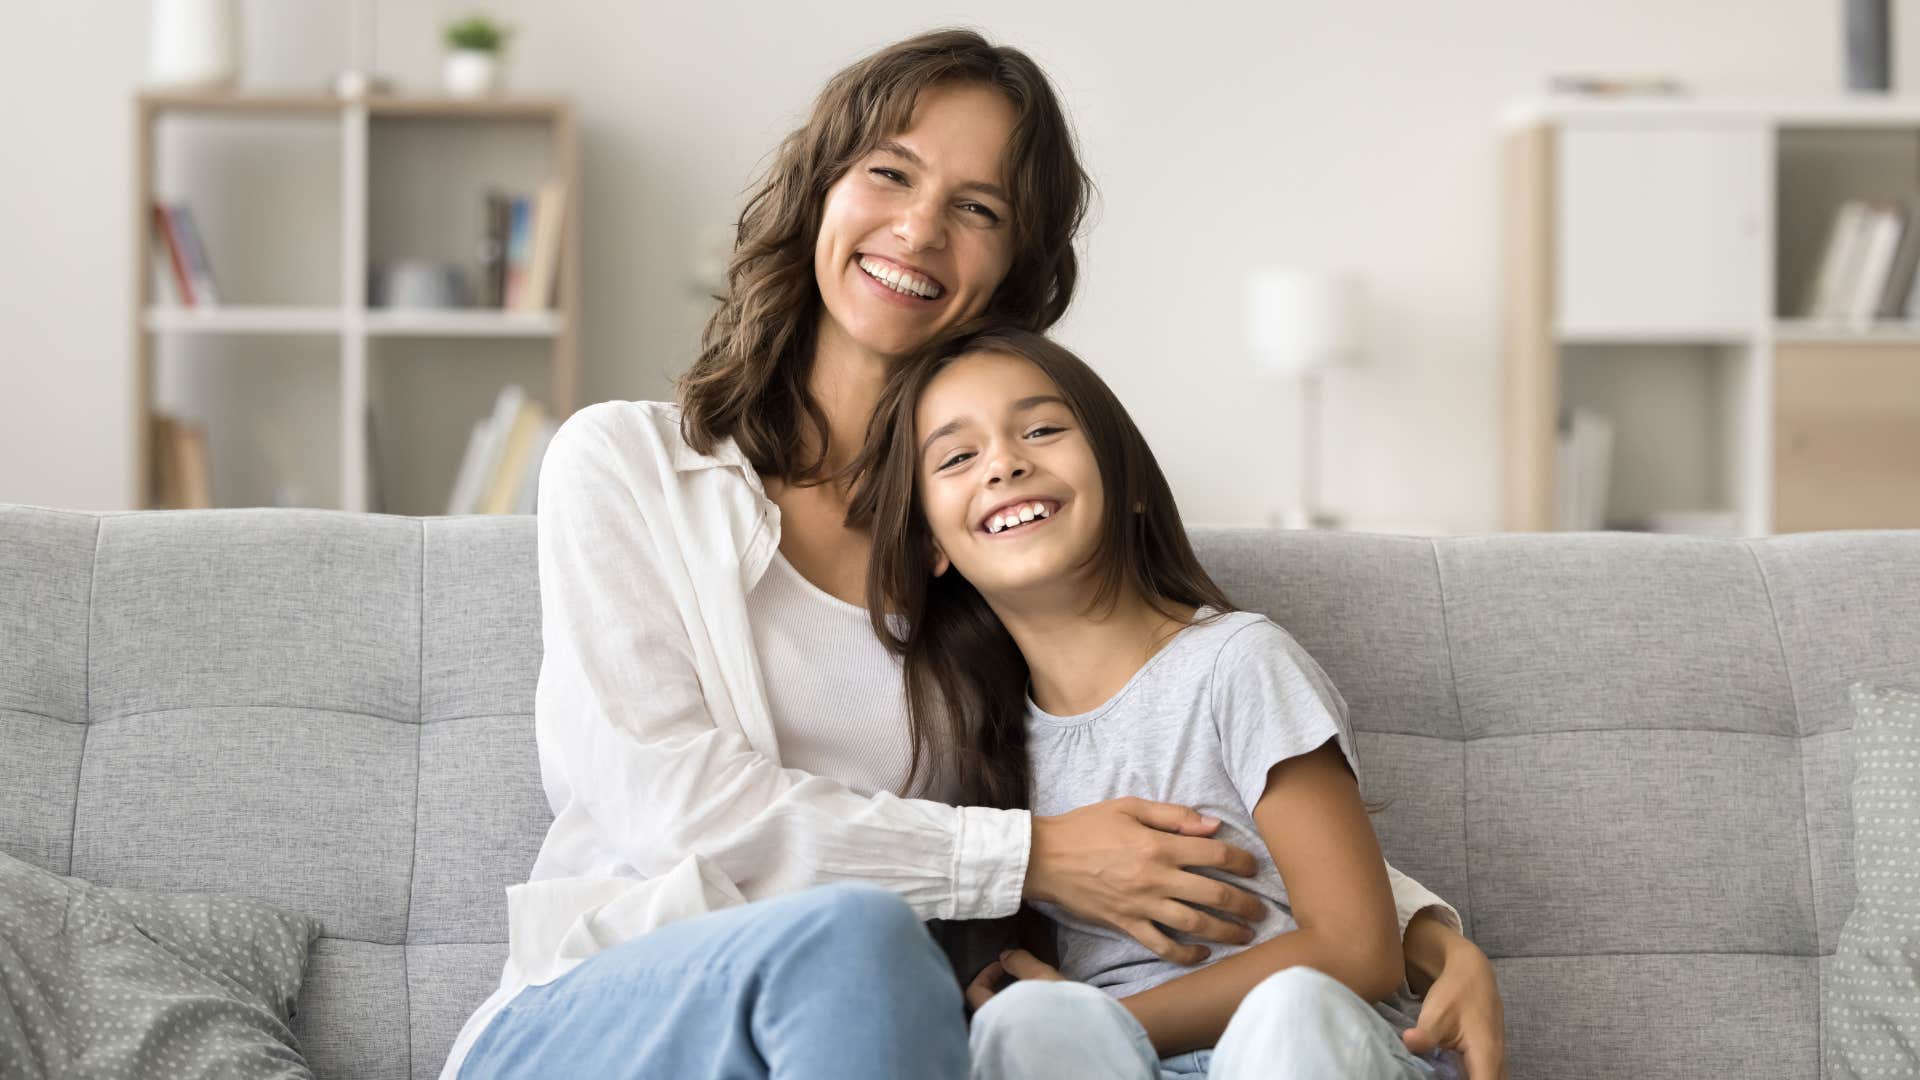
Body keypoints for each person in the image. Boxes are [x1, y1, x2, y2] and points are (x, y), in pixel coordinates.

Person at [446, 27, 1507, 1080]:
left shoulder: (994, 555)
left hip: (871, 1037)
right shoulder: (628, 465)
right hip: (608, 1021)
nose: (917, 228)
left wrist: (1418, 935)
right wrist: (1031, 857)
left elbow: (1151, 754)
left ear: (1015, 271)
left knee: (922, 986)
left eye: (978, 209)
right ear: (822, 191)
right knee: (863, 941)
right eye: (889, 174)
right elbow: (663, 802)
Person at [854, 324, 1466, 1079]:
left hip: (1308, 1047)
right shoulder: (985, 746)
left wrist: (1111, 1022)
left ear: (1132, 482)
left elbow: (1357, 949)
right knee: (1027, 1020)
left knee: (1288, 1010)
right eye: (956, 457)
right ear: (930, 547)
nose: (1006, 462)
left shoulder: (1239, 663)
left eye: (1042, 429)